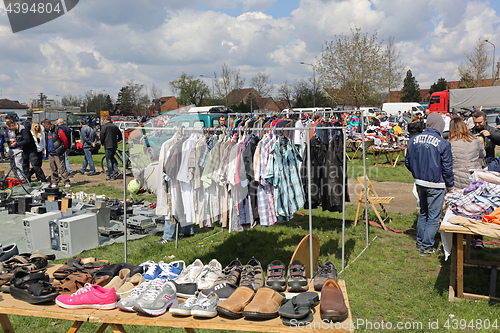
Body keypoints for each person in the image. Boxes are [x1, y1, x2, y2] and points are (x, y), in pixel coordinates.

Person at [405, 112, 454, 256]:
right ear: (440, 125)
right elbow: (447, 168)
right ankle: (426, 247)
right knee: (433, 216)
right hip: (436, 184)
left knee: (423, 213)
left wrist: (417, 172)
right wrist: (450, 186)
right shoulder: (444, 143)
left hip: (420, 182)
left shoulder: (413, 140)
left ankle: (421, 242)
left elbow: (408, 161)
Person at [43, 119, 70, 188]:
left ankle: (66, 181)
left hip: (58, 152)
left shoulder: (58, 130)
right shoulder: (46, 132)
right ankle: (54, 182)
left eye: (44, 126)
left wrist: (64, 149)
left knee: (61, 168)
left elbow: (64, 140)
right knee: (53, 168)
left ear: (48, 125)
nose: (44, 127)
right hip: (50, 152)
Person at [100, 115, 123, 181]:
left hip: (107, 145)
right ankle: (117, 171)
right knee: (112, 158)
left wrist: (102, 142)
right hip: (114, 145)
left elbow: (102, 135)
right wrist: (118, 140)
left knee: (109, 160)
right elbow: (120, 135)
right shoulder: (115, 126)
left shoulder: (104, 127)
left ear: (105, 119)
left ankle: (111, 175)